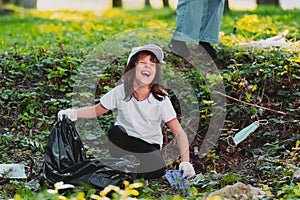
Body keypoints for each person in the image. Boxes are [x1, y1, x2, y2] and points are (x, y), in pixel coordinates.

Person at [58, 44, 195, 179]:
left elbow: (178, 132)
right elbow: (96, 110)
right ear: (133, 68)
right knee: (114, 132)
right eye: (143, 62)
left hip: (148, 146)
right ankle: (124, 167)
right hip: (124, 142)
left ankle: (135, 172)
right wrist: (73, 113)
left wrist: (185, 162)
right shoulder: (120, 92)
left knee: (157, 169)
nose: (148, 66)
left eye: (152, 64)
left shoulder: (160, 99)